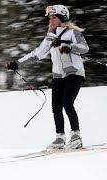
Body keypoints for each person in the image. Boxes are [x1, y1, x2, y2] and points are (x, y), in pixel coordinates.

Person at [6, 5, 89, 149]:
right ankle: (60, 138)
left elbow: (84, 47)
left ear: (62, 17)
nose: (51, 20)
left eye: (54, 17)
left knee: (67, 104)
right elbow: (37, 54)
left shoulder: (72, 33)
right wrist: (17, 64)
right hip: (58, 76)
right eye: (50, 17)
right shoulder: (50, 37)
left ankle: (76, 136)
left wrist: (69, 47)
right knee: (56, 107)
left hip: (74, 73)